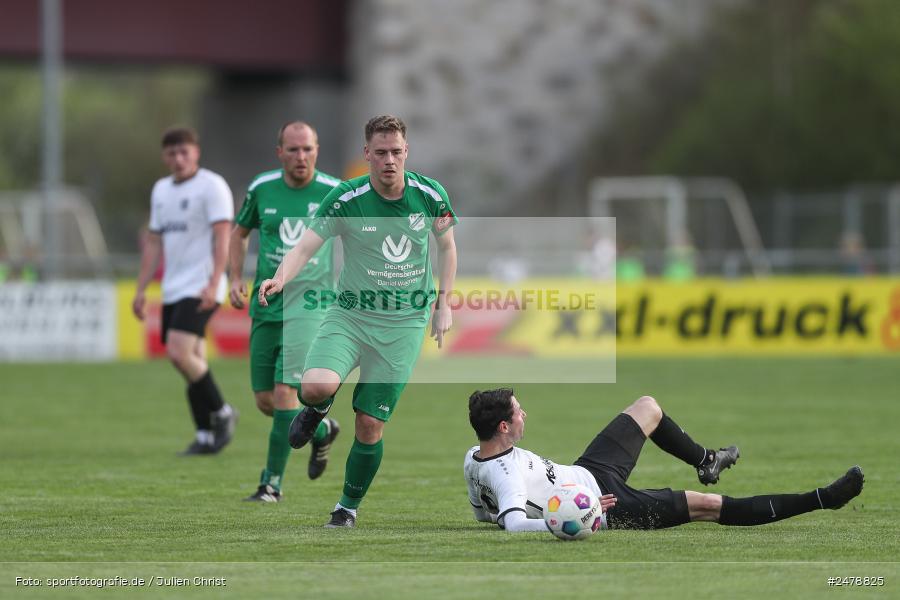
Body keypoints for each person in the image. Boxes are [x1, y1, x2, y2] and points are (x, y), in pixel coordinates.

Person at [258, 115, 458, 527]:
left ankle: (346, 508)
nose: (389, 160)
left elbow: (448, 247)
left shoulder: (430, 195)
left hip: (403, 324)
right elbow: (305, 247)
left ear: (407, 151)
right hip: (350, 315)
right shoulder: (347, 198)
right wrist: (280, 278)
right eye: (380, 152)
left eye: (396, 152)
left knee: (369, 423)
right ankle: (319, 409)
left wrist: (444, 303)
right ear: (367, 153)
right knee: (313, 387)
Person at [464, 389, 864, 532]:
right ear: (504, 426)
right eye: (518, 411)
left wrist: (497, 516)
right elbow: (514, 524)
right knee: (708, 506)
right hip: (608, 507)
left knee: (647, 407)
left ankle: (706, 460)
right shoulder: (506, 473)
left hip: (589, 471)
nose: (525, 414)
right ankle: (823, 498)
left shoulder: (474, 458)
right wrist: (579, 515)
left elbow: (485, 514)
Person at [229, 121, 342, 502]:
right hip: (266, 303)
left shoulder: (332, 192)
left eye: (307, 149)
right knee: (265, 400)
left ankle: (270, 484)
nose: (301, 156)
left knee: (283, 393)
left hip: (310, 305)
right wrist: (234, 278)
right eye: (293, 149)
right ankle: (321, 430)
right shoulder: (262, 188)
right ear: (280, 152)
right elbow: (239, 233)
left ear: (317, 150)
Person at [133, 127, 238, 456]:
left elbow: (223, 237)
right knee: (192, 360)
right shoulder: (161, 190)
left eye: (184, 152)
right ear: (164, 156)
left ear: (196, 152)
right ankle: (204, 436)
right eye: (172, 153)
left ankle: (223, 412)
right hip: (174, 287)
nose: (178, 159)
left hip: (202, 284)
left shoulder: (212, 186)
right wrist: (141, 289)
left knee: (178, 354)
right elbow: (154, 242)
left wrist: (215, 282)